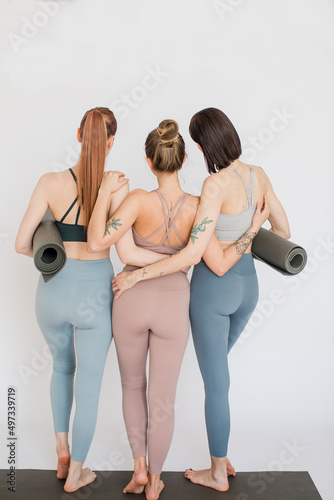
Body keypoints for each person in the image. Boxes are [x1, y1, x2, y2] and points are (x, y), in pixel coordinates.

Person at [87, 118, 268, 500]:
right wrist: (252, 225)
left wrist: (105, 193)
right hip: (174, 302)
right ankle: (154, 482)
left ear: (149, 162)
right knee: (163, 399)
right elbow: (204, 255)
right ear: (185, 160)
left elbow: (101, 242)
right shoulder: (201, 206)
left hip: (129, 299)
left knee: (132, 386)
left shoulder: (136, 199)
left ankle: (138, 469)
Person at [15, 107, 128, 492]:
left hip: (53, 291)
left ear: (79, 135)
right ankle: (78, 471)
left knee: (62, 369)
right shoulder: (117, 186)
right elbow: (125, 252)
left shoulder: (49, 182)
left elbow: (20, 244)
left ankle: (61, 451)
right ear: (111, 141)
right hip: (96, 292)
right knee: (90, 383)